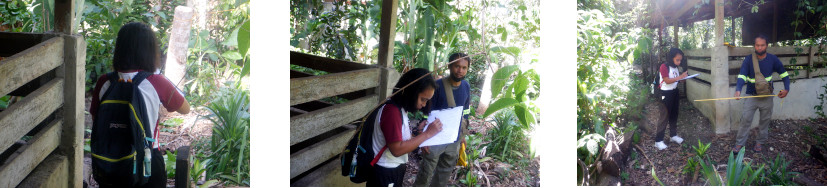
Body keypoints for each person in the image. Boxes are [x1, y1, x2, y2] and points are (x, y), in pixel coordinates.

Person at [90, 22, 191, 188]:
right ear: (150, 51)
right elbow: (185, 109)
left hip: (109, 161)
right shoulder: (156, 82)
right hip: (147, 162)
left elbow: (96, 119)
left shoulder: (104, 81)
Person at [368, 68, 444, 187]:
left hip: (393, 169)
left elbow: (401, 138)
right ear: (411, 92)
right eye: (423, 99)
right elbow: (397, 149)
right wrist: (426, 134)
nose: (424, 104)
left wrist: (420, 135)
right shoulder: (392, 112)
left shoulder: (400, 108)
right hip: (385, 172)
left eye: (427, 100)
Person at [414, 53, 472, 186]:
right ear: (450, 66)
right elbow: (427, 112)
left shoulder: (466, 86)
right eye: (457, 66)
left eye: (464, 67)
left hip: (453, 138)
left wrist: (462, 135)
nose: (460, 70)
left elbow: (466, 112)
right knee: (426, 172)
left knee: (444, 173)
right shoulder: (437, 86)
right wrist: (424, 138)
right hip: (435, 137)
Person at [732, 34, 790, 153]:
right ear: (754, 46)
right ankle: (739, 144)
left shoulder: (773, 59)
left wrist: (786, 89)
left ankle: (760, 142)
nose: (759, 48)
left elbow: (784, 74)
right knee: (745, 120)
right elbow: (742, 75)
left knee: (765, 121)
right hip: (751, 96)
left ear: (766, 46)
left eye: (762, 45)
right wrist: (738, 89)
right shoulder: (748, 59)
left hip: (767, 96)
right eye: (757, 45)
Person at [654, 48, 687, 150]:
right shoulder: (664, 66)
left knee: (674, 114)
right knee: (664, 116)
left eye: (680, 60)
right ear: (671, 58)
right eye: (677, 60)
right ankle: (658, 141)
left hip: (674, 92)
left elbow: (676, 80)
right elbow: (667, 80)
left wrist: (683, 79)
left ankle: (673, 136)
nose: (679, 62)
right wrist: (679, 77)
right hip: (665, 94)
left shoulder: (675, 67)